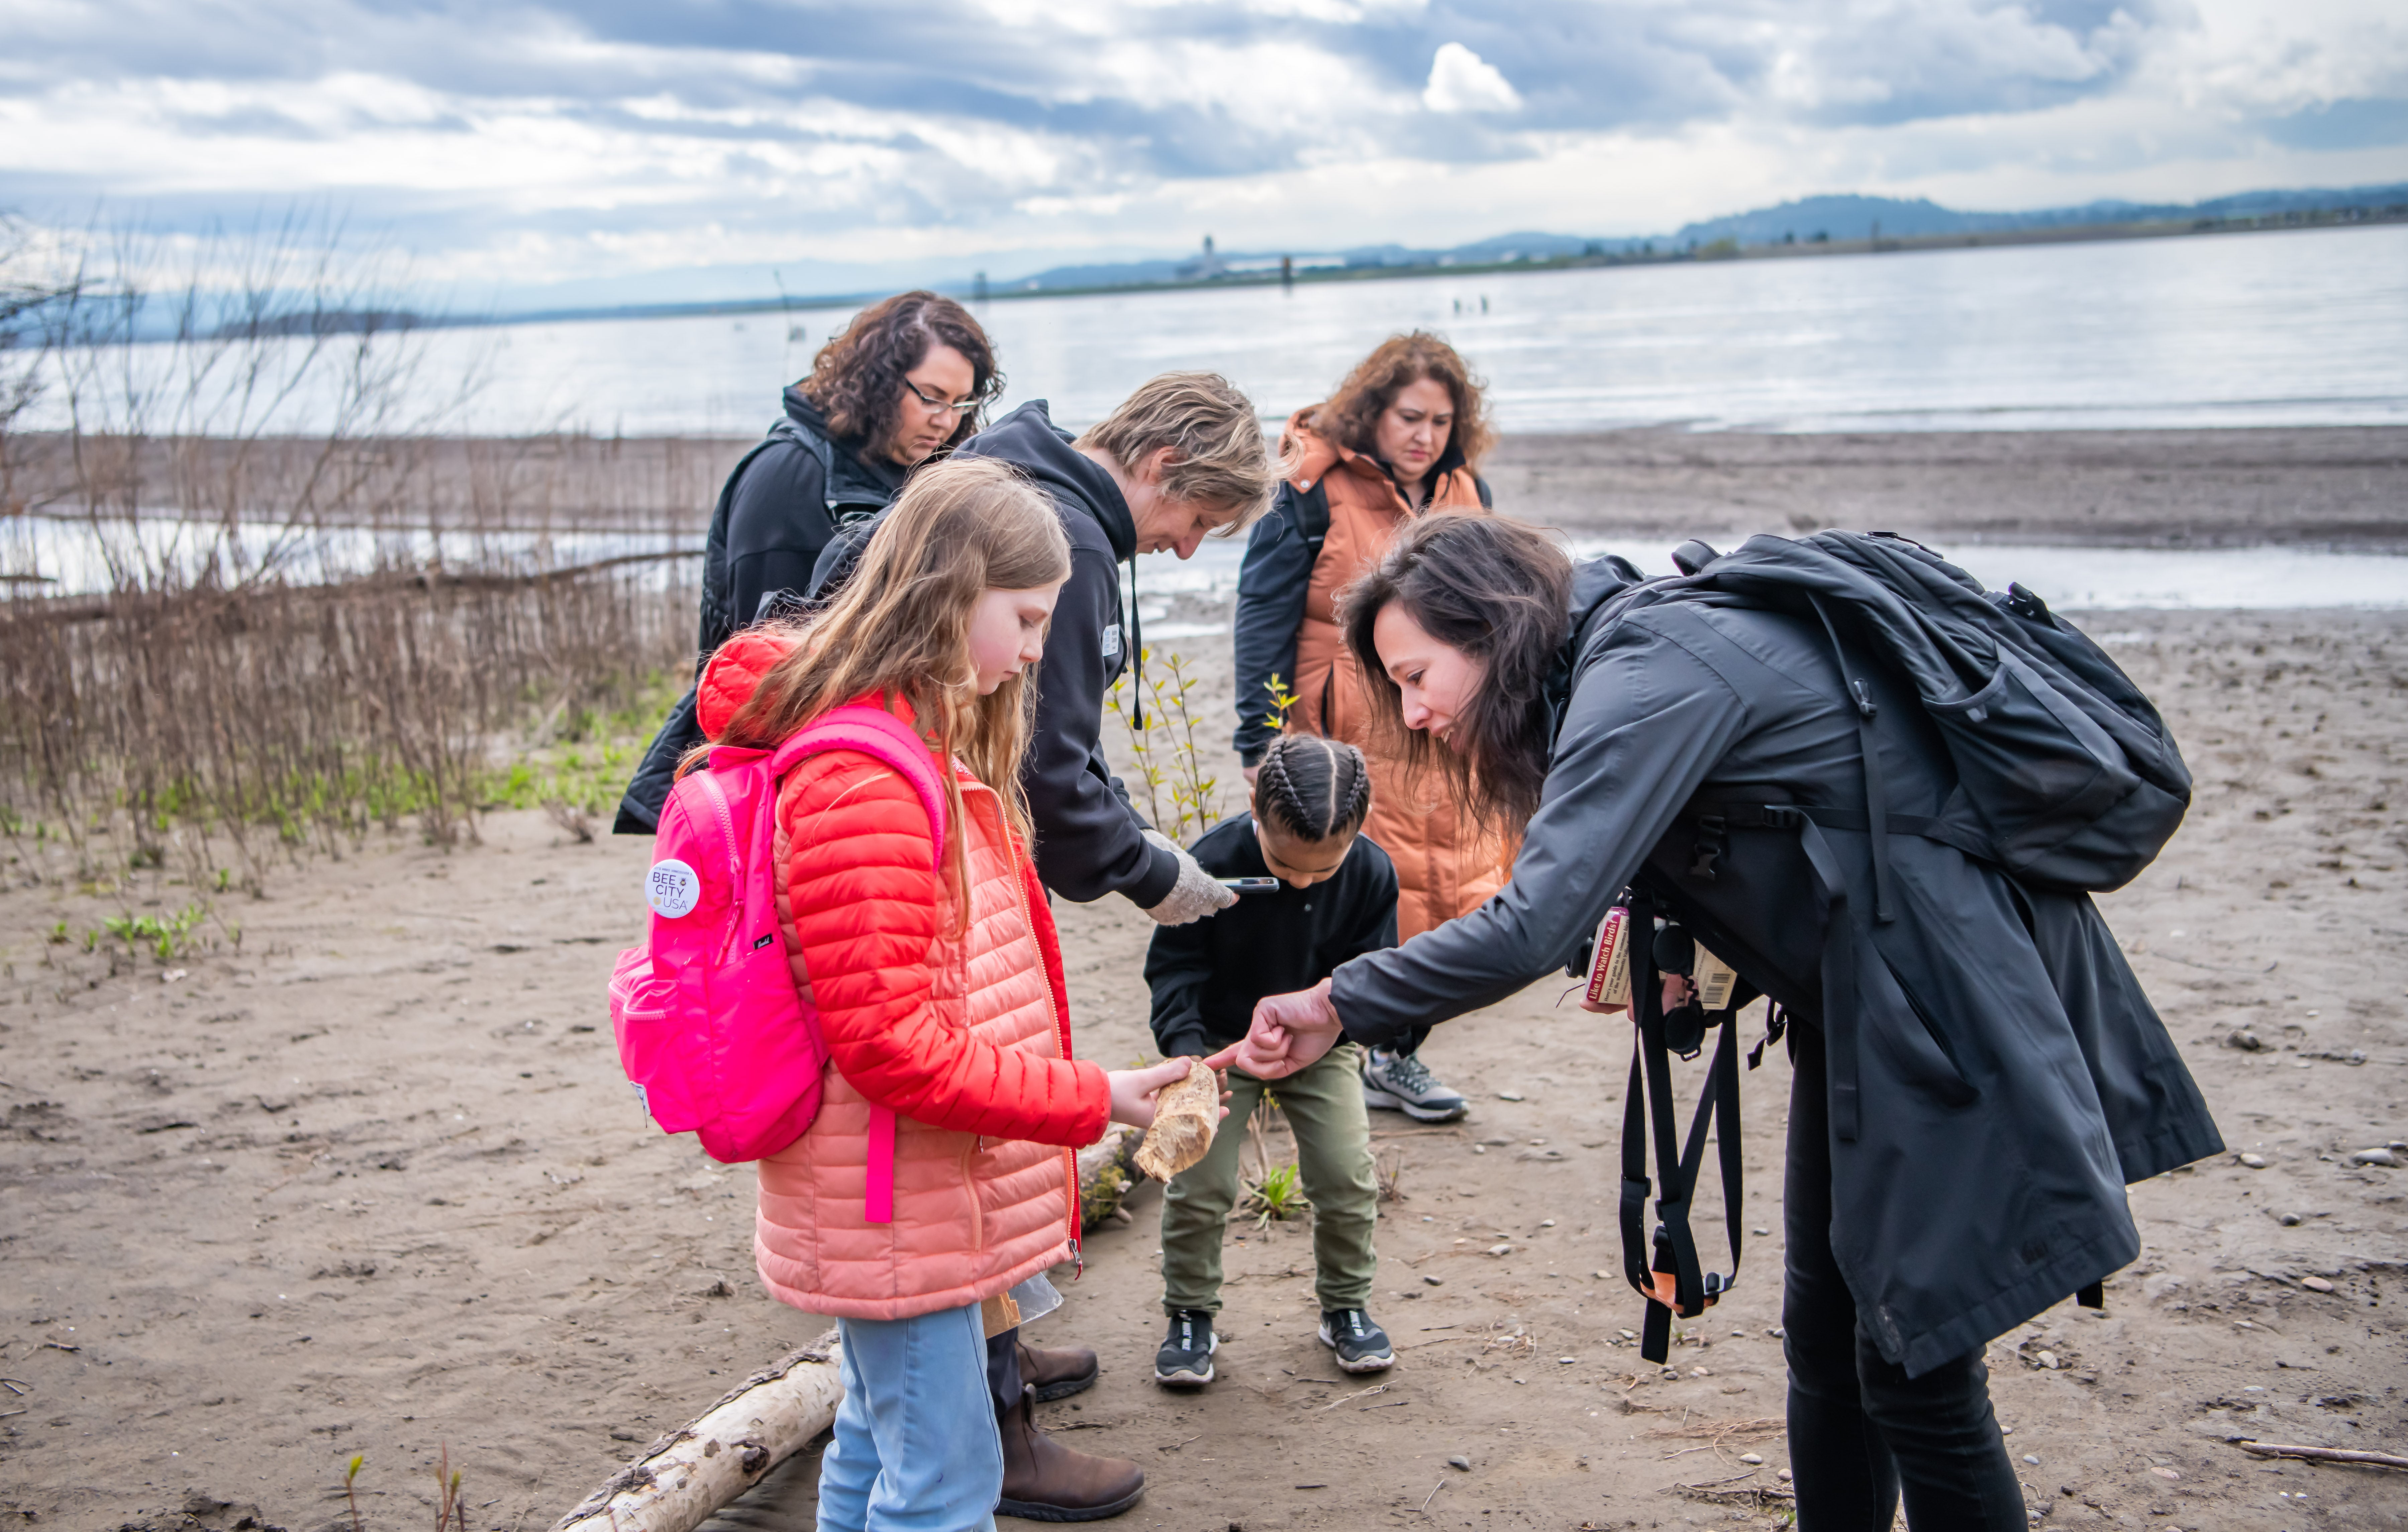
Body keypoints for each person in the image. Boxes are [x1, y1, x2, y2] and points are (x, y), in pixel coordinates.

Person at [1218, 515, 2224, 1530]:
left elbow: (1532, 924)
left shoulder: (1647, 669)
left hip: (1949, 1000)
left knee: (1918, 1364)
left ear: (1494, 628)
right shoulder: (1628, 651)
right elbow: (1787, 822)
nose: (1414, 709)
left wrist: (1337, 999)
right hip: (1874, 1003)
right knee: (1829, 1341)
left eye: (1417, 672)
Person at [691, 457, 1205, 1528]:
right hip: (893, 1200)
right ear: (947, 591)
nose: (1032, 652)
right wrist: (1094, 1095)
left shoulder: (905, 746)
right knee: (943, 1482)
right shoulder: (866, 781)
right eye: (1023, 619)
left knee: (880, 1446)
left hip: (905, 1195)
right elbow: (892, 1047)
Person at [814, 372, 1281, 925]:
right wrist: (1151, 873)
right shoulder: (1073, 540)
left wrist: (1139, 831)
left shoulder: (1012, 464)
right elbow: (1042, 770)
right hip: (928, 842)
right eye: (1199, 520)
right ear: (1164, 463)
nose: (1186, 549)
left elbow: (1061, 727)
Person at [1229, 333, 1498, 1124]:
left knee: (1449, 896)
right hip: (1343, 733)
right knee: (1358, 893)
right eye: (1410, 416)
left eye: (1442, 421)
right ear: (1373, 411)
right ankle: (1314, 1050)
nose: (1425, 436)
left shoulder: (1465, 488)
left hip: (1444, 730)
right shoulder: (1310, 487)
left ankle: (1394, 1055)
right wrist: (1259, 736)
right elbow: (1263, 609)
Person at [614, 290, 1000, 834]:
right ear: (879, 380)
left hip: (872, 761)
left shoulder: (911, 472)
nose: (947, 421)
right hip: (793, 782)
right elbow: (758, 668)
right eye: (932, 397)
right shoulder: (787, 479)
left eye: (962, 404)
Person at [1141, 735, 1396, 1388]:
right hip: (1219, 1045)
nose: (1303, 882)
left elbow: (1374, 977)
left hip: (1323, 1048)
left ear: (1357, 832)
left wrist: (1340, 1024)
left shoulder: (1371, 872)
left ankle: (1345, 1304)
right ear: (1257, 812)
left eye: (1323, 869)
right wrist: (1191, 1054)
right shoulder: (1211, 861)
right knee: (1199, 1183)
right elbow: (1175, 967)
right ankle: (1191, 1311)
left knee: (1346, 1177)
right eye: (1286, 866)